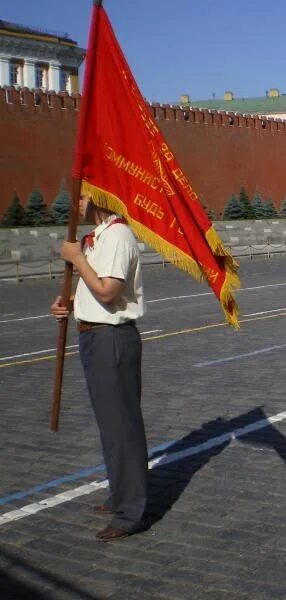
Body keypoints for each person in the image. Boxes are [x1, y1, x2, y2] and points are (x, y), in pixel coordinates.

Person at [50, 193, 148, 542]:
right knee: (111, 426)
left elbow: (108, 291)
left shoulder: (118, 235)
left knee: (121, 426)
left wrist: (77, 259)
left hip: (112, 339)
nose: (75, 201)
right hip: (95, 335)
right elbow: (95, 293)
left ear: (99, 196)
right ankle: (120, 493)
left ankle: (130, 512)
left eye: (81, 195)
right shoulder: (99, 237)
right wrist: (71, 303)